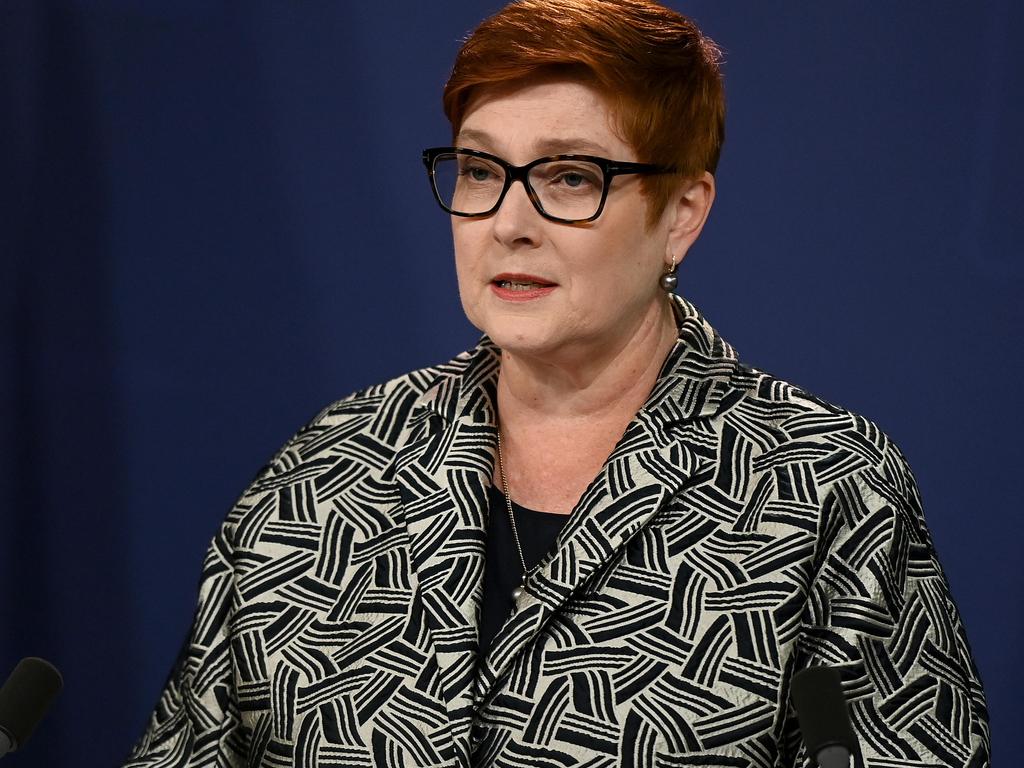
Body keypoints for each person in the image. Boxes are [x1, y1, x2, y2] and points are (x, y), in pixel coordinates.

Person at [124, 1, 990, 766]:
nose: (508, 224)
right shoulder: (331, 471)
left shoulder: (821, 487)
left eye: (569, 176)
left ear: (681, 214)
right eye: (480, 170)